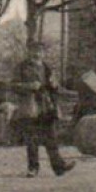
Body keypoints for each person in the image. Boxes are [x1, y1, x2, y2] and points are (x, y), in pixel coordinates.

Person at [15, 46, 73, 177]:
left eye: (40, 51)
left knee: (51, 137)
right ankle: (33, 168)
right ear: (29, 52)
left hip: (47, 106)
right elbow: (13, 85)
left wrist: (55, 85)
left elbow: (56, 87)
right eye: (34, 51)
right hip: (31, 106)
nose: (37, 54)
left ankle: (59, 167)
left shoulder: (48, 68)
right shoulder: (22, 68)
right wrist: (28, 86)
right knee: (32, 139)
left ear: (44, 53)